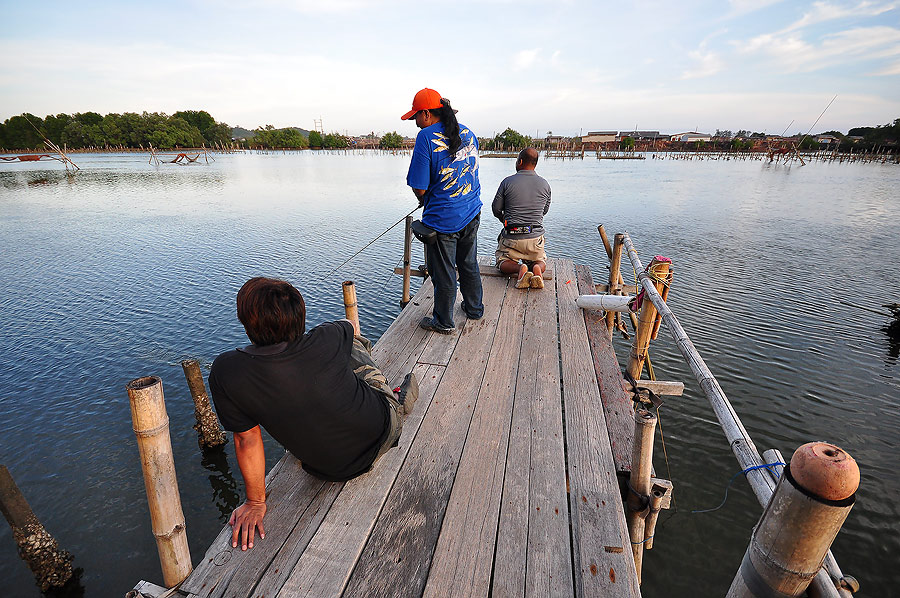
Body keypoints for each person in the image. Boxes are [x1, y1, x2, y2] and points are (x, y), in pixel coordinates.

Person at [208, 277, 418, 551]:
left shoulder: (227, 371)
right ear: (300, 315)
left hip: (327, 470)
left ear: (246, 324)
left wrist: (256, 502)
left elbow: (246, 440)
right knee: (353, 345)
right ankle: (396, 398)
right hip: (384, 429)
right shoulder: (328, 336)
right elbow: (348, 328)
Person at [403, 88, 484, 334]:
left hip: (443, 220)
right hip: (471, 210)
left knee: (444, 272)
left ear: (427, 114)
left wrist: (425, 199)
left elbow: (418, 186)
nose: (415, 123)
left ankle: (443, 321)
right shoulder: (468, 132)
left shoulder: (426, 137)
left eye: (416, 116)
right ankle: (474, 309)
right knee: (468, 262)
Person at [492, 147, 552, 289]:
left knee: (501, 261)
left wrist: (505, 221)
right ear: (535, 164)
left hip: (512, 237)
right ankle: (536, 269)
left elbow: (496, 209)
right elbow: (544, 211)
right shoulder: (545, 184)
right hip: (534, 238)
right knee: (540, 260)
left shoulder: (507, 182)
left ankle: (520, 269)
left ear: (520, 161)